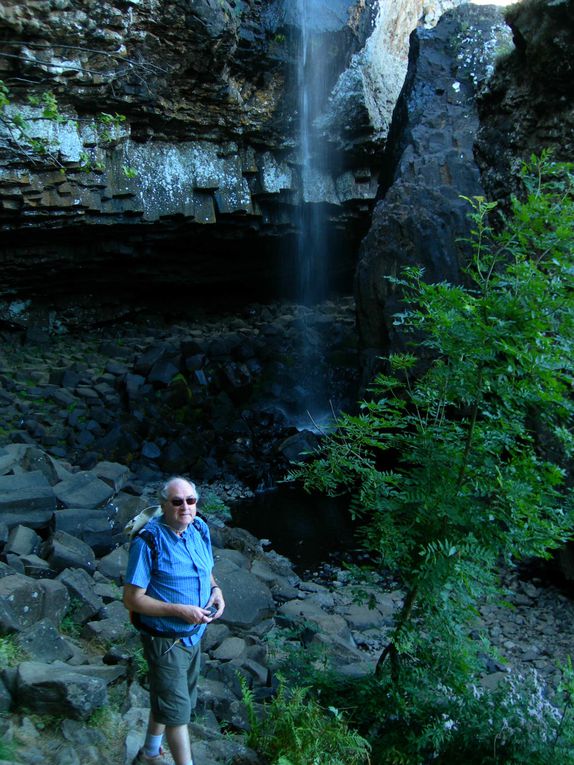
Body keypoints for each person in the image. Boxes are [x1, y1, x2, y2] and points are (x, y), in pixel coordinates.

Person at [124, 476, 225, 765]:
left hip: (194, 634)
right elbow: (132, 599)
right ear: (163, 505)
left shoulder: (199, 528)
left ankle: (149, 753)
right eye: (177, 502)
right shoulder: (148, 541)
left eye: (190, 501)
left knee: (170, 698)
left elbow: (204, 570)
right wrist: (180, 610)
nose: (185, 507)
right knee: (178, 713)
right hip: (165, 640)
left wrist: (216, 590)